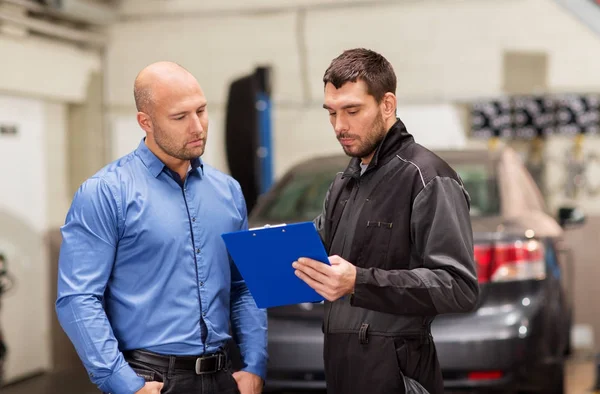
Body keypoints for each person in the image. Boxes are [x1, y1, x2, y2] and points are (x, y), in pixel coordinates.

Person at [56, 61, 267, 394]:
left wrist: (255, 365)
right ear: (146, 121)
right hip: (150, 379)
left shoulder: (228, 191)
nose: (197, 126)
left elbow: (245, 286)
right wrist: (122, 383)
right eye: (180, 117)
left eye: (201, 110)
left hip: (225, 377)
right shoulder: (106, 192)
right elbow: (78, 298)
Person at [292, 48, 479, 394]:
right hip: (343, 370)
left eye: (352, 110)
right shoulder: (344, 183)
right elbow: (314, 252)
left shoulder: (427, 177)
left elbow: (459, 287)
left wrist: (358, 282)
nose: (339, 126)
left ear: (387, 105)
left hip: (399, 376)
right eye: (331, 113)